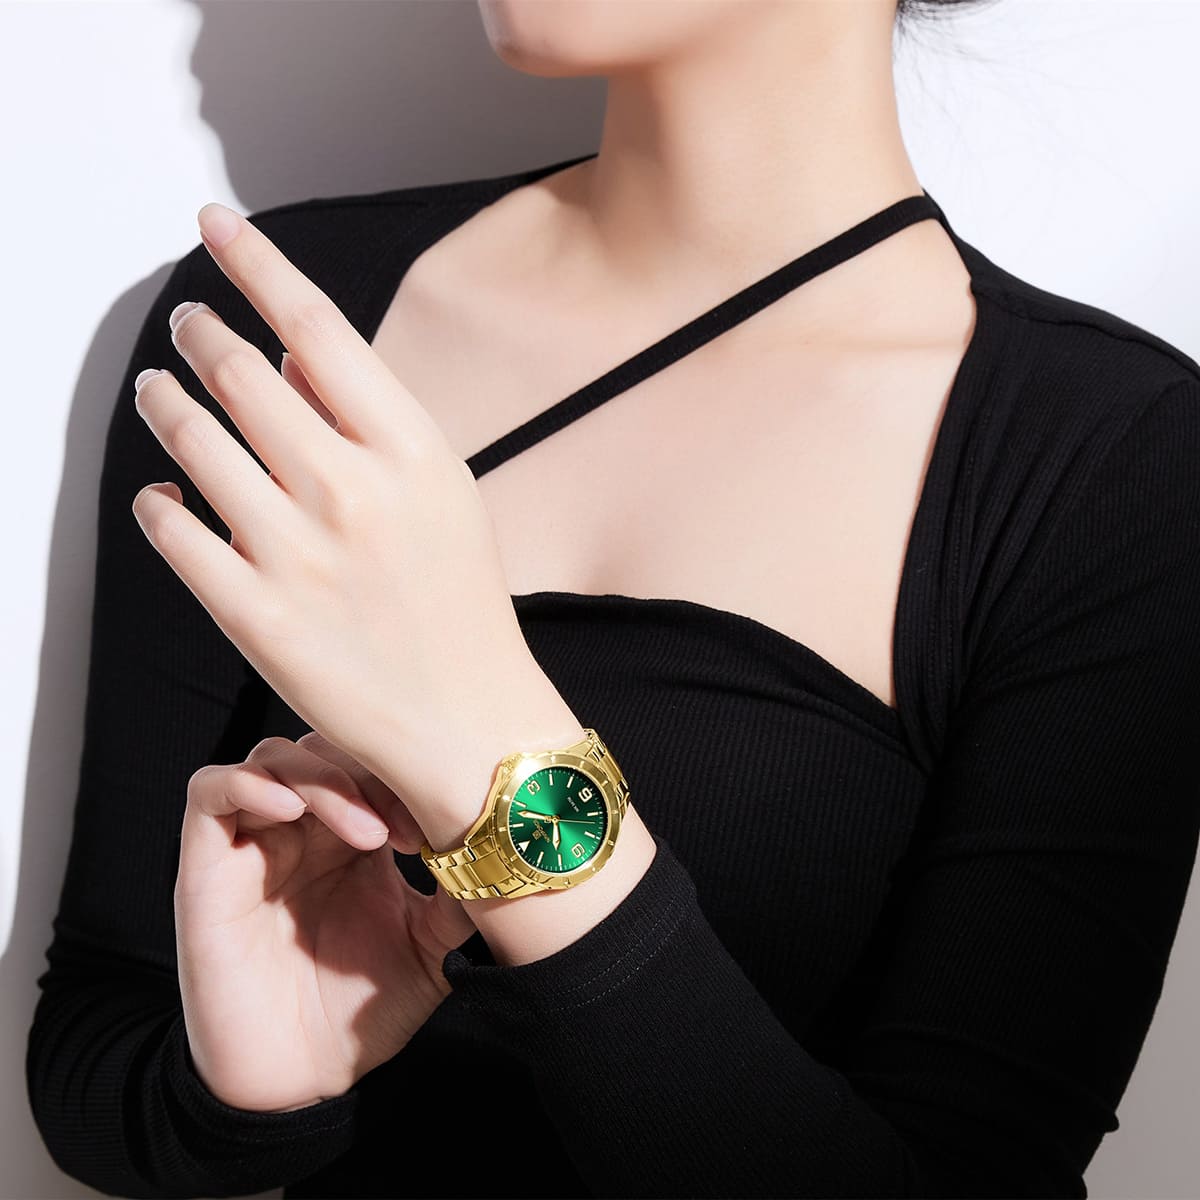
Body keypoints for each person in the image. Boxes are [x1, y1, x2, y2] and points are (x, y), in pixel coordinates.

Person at [26, 1, 1200, 1197]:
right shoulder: (285, 326)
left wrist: (495, 754)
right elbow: (94, 1049)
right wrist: (243, 1095)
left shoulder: (1108, 460)